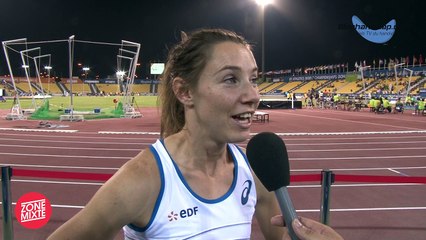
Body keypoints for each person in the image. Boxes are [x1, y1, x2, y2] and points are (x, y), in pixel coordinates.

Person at [48, 28, 343, 240]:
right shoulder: (142, 180)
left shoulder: (256, 172)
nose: (253, 95)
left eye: (253, 79)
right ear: (185, 91)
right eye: (231, 79)